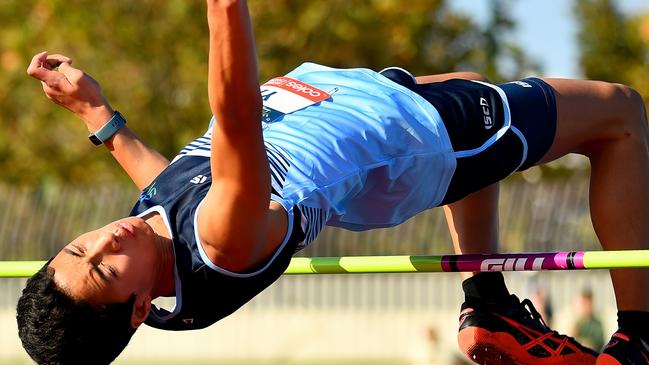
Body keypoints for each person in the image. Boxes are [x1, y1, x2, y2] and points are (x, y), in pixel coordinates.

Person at [15, 1, 649, 364]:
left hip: (350, 105)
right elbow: (235, 118)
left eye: (79, 247)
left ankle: (488, 304)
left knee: (466, 76)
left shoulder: (157, 250)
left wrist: (99, 117)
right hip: (409, 137)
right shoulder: (224, 245)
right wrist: (224, 9)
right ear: (135, 311)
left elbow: (171, 186)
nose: (106, 240)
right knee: (620, 113)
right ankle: (640, 338)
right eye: (103, 268)